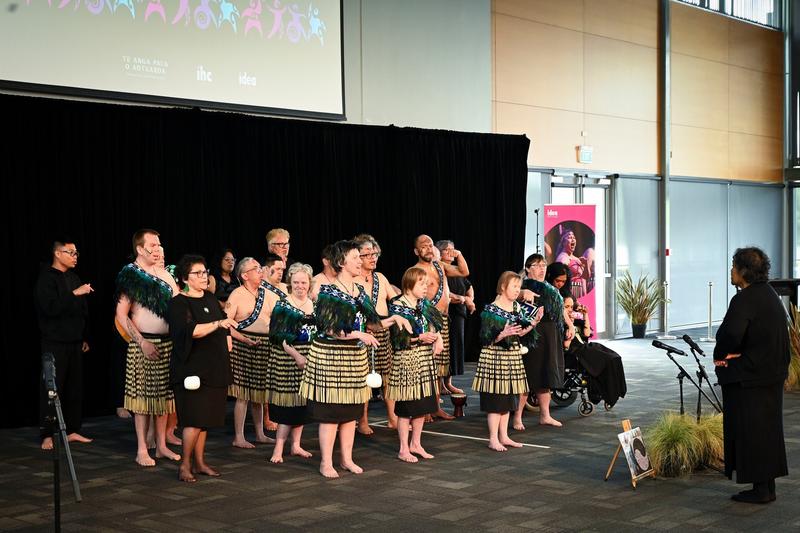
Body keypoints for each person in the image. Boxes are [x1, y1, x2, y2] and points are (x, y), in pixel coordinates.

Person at [298, 240, 411, 478]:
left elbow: (372, 322)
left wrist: (393, 320)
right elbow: (329, 329)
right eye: (356, 257)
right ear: (341, 262)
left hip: (354, 359)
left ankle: (347, 459)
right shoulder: (328, 291)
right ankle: (326, 462)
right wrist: (359, 334)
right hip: (331, 359)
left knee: (350, 413)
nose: (360, 261)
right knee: (331, 414)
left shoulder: (359, 291)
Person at [713, 247, 790, 504]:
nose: (731, 271)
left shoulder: (744, 299)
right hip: (771, 374)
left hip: (749, 377)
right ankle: (766, 486)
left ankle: (761, 490)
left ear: (744, 270)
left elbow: (730, 336)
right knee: (767, 432)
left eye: (734, 266)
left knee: (750, 432)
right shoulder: (769, 294)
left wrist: (724, 354)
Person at [115, 229, 181, 466]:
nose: (158, 249)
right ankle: (142, 449)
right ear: (140, 249)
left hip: (167, 343)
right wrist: (141, 341)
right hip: (143, 343)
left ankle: (161, 445)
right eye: (152, 245)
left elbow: (178, 305)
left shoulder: (165, 274)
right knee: (142, 401)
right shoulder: (131, 274)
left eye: (159, 245)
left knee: (164, 398)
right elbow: (121, 315)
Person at [168, 255, 237, 482]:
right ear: (185, 278)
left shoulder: (208, 297)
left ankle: (199, 462)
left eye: (205, 271)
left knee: (205, 420)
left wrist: (226, 336)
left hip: (213, 368)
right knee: (193, 419)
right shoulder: (179, 302)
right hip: (191, 370)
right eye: (197, 273)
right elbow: (190, 331)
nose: (203, 276)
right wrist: (218, 324)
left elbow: (223, 322)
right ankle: (184, 464)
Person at [35, 239, 93, 450]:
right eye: (70, 252)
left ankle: (72, 430)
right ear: (57, 253)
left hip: (74, 342)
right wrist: (75, 293)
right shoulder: (46, 279)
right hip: (54, 342)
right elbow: (50, 309)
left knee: (74, 387)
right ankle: (47, 433)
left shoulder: (74, 277)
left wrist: (84, 337)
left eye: (76, 253)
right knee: (52, 388)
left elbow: (81, 311)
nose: (75, 256)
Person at [473, 271, 539, 451]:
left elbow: (520, 332)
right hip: (494, 359)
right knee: (496, 402)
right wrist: (502, 334)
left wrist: (533, 323)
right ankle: (493, 438)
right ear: (503, 287)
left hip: (512, 359)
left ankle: (504, 436)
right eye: (514, 287)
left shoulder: (517, 307)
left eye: (519, 287)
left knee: (508, 400)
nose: (518, 290)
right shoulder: (491, 310)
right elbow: (485, 339)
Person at [387, 267, 444, 462]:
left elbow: (437, 324)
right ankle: (404, 448)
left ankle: (416, 443)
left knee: (422, 406)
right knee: (407, 408)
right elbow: (397, 340)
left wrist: (438, 338)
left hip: (424, 359)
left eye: (426, 283)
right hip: (407, 361)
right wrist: (420, 338)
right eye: (422, 283)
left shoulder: (424, 305)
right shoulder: (397, 306)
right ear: (409, 284)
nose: (426, 287)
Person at [412, 235, 469, 419]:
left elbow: (463, 272)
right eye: (424, 246)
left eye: (430, 244)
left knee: (439, 368)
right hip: (427, 320)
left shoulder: (440, 265)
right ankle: (424, 408)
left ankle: (435, 406)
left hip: (443, 320)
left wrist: (458, 255)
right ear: (416, 251)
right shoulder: (415, 271)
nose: (428, 248)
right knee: (427, 367)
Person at [514, 254, 571, 430]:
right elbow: (505, 297)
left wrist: (569, 325)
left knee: (546, 375)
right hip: (532, 334)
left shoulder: (550, 287)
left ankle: (545, 415)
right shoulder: (522, 285)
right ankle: (517, 418)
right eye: (537, 265)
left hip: (551, 333)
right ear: (528, 268)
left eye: (544, 265)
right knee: (528, 376)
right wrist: (521, 293)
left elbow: (561, 309)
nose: (541, 268)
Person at [267, 262, 316, 463]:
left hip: (309, 356)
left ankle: (296, 445)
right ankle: (278, 449)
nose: (300, 285)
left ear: (309, 284)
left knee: (302, 404)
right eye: (296, 282)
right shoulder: (283, 304)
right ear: (290, 283)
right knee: (288, 408)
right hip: (288, 357)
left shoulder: (315, 304)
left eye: (303, 282)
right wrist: (297, 356)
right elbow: (281, 338)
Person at [225, 257, 273, 448]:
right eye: (256, 268)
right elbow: (226, 324)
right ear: (245, 275)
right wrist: (244, 339)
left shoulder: (267, 293)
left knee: (259, 394)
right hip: (241, 346)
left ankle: (260, 433)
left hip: (263, 346)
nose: (260, 271)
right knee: (242, 394)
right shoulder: (237, 294)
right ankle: (239, 437)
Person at [354, 234, 399, 433]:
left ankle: (392, 417)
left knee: (387, 376)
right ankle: (362, 420)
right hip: (363, 332)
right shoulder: (352, 280)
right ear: (357, 256)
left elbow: (395, 299)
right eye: (367, 255)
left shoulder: (381, 277)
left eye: (375, 254)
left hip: (384, 332)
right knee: (364, 378)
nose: (373, 258)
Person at [562, 294, 626, 408]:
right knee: (608, 360)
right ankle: (609, 394)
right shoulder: (560, 324)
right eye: (567, 307)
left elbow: (586, 334)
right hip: (577, 352)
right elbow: (566, 345)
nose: (570, 309)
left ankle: (617, 391)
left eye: (571, 307)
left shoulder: (575, 321)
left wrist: (585, 315)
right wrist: (569, 324)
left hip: (587, 347)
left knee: (615, 358)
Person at [436, 239, 475, 389]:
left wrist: (470, 298)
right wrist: (463, 299)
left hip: (459, 313)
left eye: (453, 249)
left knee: (456, 346)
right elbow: (444, 293)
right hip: (447, 312)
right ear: (439, 252)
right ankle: (440, 383)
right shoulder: (440, 269)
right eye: (448, 250)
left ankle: (448, 382)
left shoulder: (454, 270)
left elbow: (468, 284)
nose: (452, 252)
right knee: (446, 347)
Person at [554, 229, 594, 298]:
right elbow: (558, 278)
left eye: (574, 237)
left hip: (581, 291)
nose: (572, 239)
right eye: (569, 237)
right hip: (572, 291)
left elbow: (586, 277)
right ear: (563, 242)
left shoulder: (576, 258)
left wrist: (586, 264)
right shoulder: (563, 258)